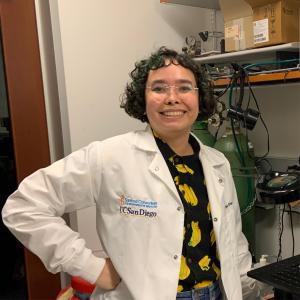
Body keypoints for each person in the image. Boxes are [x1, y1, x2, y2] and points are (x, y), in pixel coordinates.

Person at [2, 47, 259, 300]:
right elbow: (23, 207)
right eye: (158, 88)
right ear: (142, 98)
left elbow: (232, 242)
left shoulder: (218, 163)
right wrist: (93, 268)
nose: (172, 98)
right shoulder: (110, 156)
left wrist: (253, 289)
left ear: (199, 97)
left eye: (184, 87)